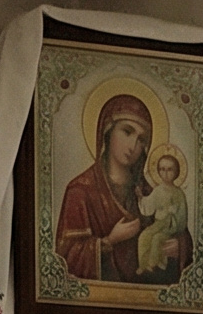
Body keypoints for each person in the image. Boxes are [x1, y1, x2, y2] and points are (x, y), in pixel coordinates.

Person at [56, 94, 189, 286]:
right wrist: (109, 241)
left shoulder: (148, 191)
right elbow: (64, 258)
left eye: (142, 139)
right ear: (107, 132)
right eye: (127, 132)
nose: (133, 146)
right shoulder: (80, 191)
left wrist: (179, 247)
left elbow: (181, 234)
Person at [136, 149, 189, 278]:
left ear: (176, 172)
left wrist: (173, 215)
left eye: (169, 170)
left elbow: (182, 217)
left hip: (170, 226)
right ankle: (143, 264)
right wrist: (140, 198)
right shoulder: (158, 190)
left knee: (157, 239)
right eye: (162, 169)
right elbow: (148, 206)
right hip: (158, 224)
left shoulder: (179, 194)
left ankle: (155, 263)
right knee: (144, 236)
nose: (165, 173)